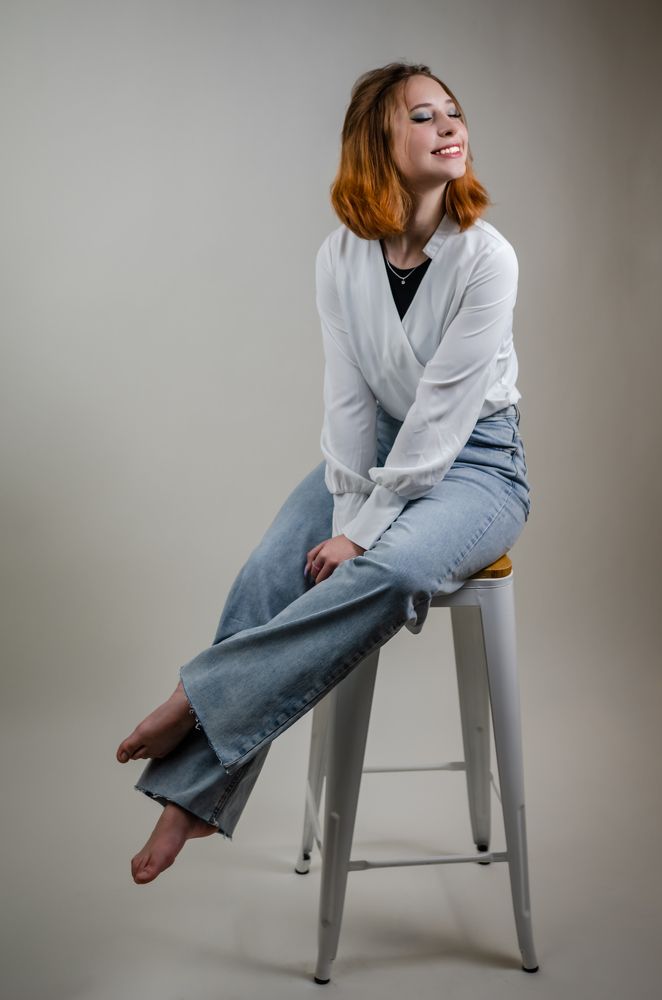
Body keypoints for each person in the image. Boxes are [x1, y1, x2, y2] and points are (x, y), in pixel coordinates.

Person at [116, 61, 532, 885]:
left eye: (453, 111)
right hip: (373, 450)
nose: (451, 125)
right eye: (424, 115)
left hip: (479, 465)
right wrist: (347, 517)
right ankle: (194, 795)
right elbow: (348, 406)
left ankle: (195, 701)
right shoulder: (340, 256)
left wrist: (364, 537)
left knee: (392, 570)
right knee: (272, 570)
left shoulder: (489, 259)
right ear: (378, 139)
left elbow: (443, 419)